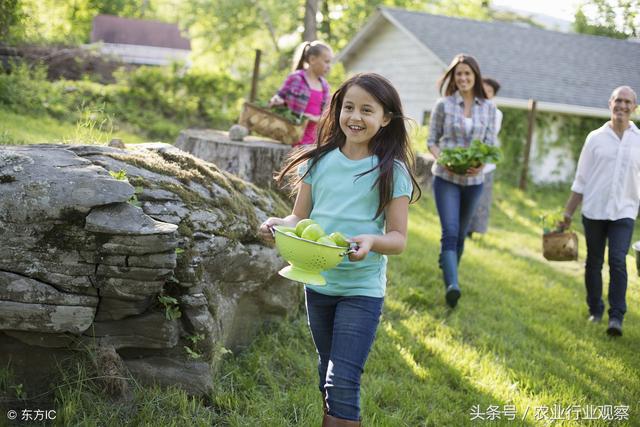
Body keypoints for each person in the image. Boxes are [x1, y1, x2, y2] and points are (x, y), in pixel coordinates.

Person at [259, 73, 421, 425]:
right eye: (349, 107)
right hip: (318, 284)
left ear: (386, 118)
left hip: (361, 290)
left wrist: (372, 241)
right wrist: (277, 225)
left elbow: (398, 238)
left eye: (367, 110)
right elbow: (298, 219)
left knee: (342, 380)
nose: (355, 117)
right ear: (337, 111)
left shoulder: (391, 172)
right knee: (326, 372)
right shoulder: (318, 162)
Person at [558, 86, 639, 337]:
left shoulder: (639, 140)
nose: (622, 106)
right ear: (610, 104)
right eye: (618, 101)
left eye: (628, 102)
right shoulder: (595, 138)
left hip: (624, 211)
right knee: (593, 261)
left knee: (617, 260)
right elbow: (581, 179)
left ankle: (616, 317)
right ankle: (595, 309)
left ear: (634, 108)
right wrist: (568, 213)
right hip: (593, 210)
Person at [427, 54, 497, 308]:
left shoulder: (488, 107)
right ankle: (452, 286)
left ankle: (448, 269)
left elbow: (491, 144)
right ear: (453, 78)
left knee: (461, 235)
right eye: (459, 74)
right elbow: (432, 140)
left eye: (468, 73)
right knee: (450, 231)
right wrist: (442, 159)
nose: (463, 78)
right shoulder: (443, 105)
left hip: (474, 182)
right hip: (446, 177)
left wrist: (481, 166)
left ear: (475, 76)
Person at [269, 41, 333, 147]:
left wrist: (312, 118)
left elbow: (326, 115)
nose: (329, 66)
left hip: (315, 141)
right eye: (326, 62)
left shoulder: (324, 86)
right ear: (312, 60)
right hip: (292, 137)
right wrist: (276, 101)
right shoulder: (296, 78)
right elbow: (279, 96)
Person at [468, 77, 503, 237]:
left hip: (484, 164)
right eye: (483, 89)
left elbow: (489, 136)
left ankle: (475, 230)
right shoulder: (469, 106)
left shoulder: (496, 113)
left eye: (489, 91)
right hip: (467, 160)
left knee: (481, 199)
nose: (484, 93)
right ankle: (464, 228)